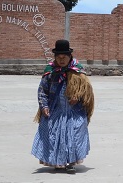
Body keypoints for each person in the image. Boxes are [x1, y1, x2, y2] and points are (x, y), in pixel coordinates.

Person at [31, 39, 94, 174]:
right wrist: (44, 106)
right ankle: (58, 162)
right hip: (55, 109)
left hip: (73, 111)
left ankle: (71, 163)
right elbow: (42, 90)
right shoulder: (50, 71)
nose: (61, 60)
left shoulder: (77, 70)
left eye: (64, 57)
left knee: (74, 134)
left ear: (69, 56)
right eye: (59, 57)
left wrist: (78, 96)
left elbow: (86, 90)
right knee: (54, 134)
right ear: (55, 57)